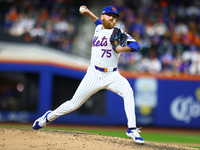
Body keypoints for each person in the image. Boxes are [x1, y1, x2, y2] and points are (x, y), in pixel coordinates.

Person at [33, 5, 144, 144]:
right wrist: (89, 13)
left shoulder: (119, 33)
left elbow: (136, 45)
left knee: (128, 92)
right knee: (73, 104)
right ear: (103, 16)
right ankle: (48, 117)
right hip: (93, 74)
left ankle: (132, 129)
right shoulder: (98, 28)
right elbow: (98, 22)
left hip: (112, 75)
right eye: (109, 15)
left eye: (115, 17)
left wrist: (122, 48)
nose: (112, 18)